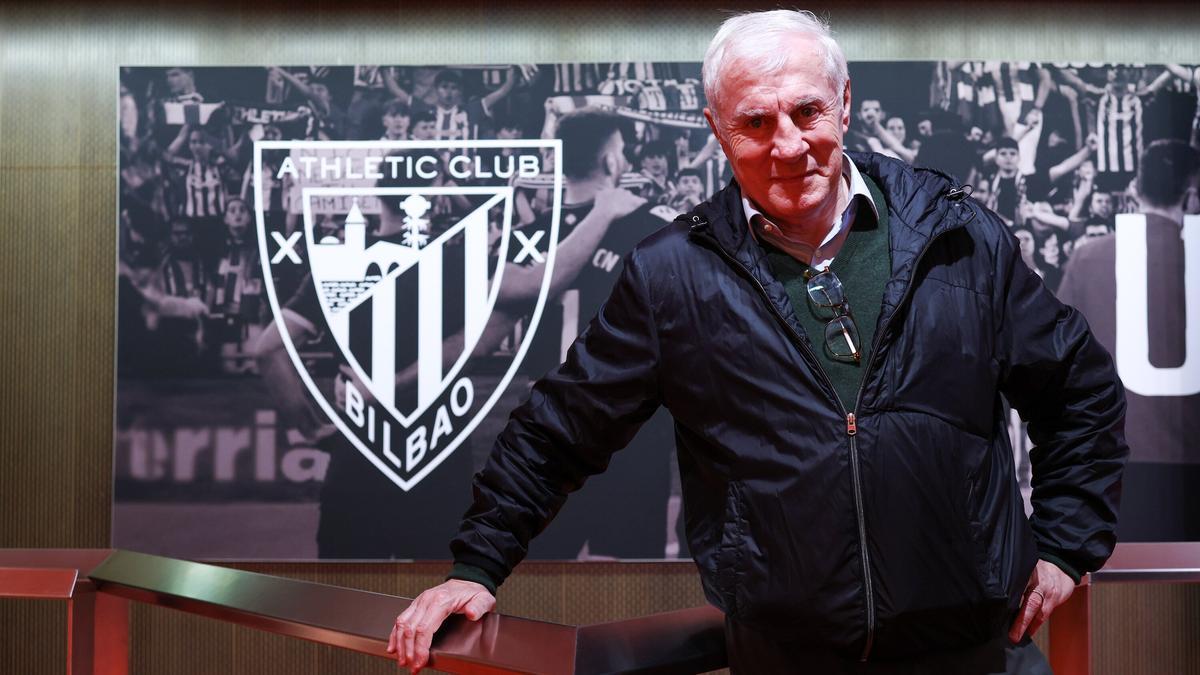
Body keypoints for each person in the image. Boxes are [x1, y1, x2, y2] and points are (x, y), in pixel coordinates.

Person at [388, 10, 1128, 674]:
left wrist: (1065, 546)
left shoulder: (958, 237)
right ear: (717, 129)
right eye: (755, 123)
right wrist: (478, 566)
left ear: (845, 102)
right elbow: (559, 427)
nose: (789, 145)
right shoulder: (672, 274)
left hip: (975, 653)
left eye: (807, 111)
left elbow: (1080, 390)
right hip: (784, 656)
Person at [1057, 140, 1200, 531]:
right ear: (1191, 195)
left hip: (1110, 464)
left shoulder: (1089, 257)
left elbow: (1056, 364)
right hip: (1188, 462)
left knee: (1121, 588)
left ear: (1135, 188)